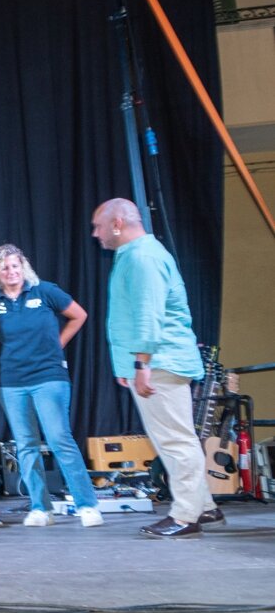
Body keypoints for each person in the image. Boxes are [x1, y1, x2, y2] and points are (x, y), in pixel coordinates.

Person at [92, 198, 221, 538]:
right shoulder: (135, 255)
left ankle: (185, 516)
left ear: (117, 223)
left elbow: (148, 315)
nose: (95, 233)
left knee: (176, 441)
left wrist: (142, 363)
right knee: (172, 440)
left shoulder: (143, 257)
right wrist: (128, 365)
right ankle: (203, 507)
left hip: (159, 361)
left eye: (99, 226)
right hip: (157, 361)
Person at [0, 244, 103, 527]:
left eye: (15, 265)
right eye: (4, 267)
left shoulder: (45, 291)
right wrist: (10, 364)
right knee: (25, 445)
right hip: (11, 383)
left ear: (23, 266)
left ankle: (87, 505)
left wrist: (57, 345)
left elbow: (79, 315)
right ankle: (40, 508)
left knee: (60, 439)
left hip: (49, 377)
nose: (11, 271)